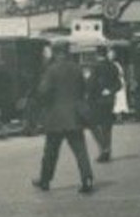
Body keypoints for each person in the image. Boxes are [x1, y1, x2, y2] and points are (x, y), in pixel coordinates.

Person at [30, 42, 94, 194]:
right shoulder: (77, 69)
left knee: (51, 151)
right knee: (80, 150)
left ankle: (45, 180)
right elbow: (84, 88)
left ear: (55, 53)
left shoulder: (51, 70)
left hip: (56, 117)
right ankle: (87, 178)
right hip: (74, 116)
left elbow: (43, 91)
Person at [86, 48, 123, 163]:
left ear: (97, 55)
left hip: (97, 100)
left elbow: (91, 84)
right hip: (109, 100)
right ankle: (107, 150)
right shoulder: (113, 66)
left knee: (93, 125)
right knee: (107, 126)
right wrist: (110, 91)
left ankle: (104, 148)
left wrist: (88, 96)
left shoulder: (95, 67)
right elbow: (119, 84)